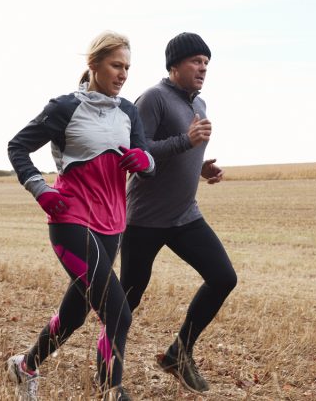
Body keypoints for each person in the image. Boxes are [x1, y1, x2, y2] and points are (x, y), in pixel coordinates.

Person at [6, 31, 154, 401]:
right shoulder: (65, 107)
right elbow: (18, 147)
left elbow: (147, 157)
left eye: (127, 68)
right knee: (118, 313)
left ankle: (24, 366)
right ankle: (110, 392)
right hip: (70, 220)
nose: (123, 74)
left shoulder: (129, 111)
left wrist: (145, 161)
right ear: (94, 65)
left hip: (111, 227)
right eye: (116, 65)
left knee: (74, 315)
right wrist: (40, 189)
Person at [120, 32, 238, 394]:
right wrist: (186, 142)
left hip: (185, 215)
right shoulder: (153, 98)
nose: (203, 67)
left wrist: (201, 167)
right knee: (127, 298)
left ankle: (179, 352)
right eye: (195, 61)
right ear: (174, 66)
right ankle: (108, 371)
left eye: (206, 62)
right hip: (145, 219)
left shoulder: (198, 104)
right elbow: (135, 153)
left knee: (223, 277)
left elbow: (181, 150)